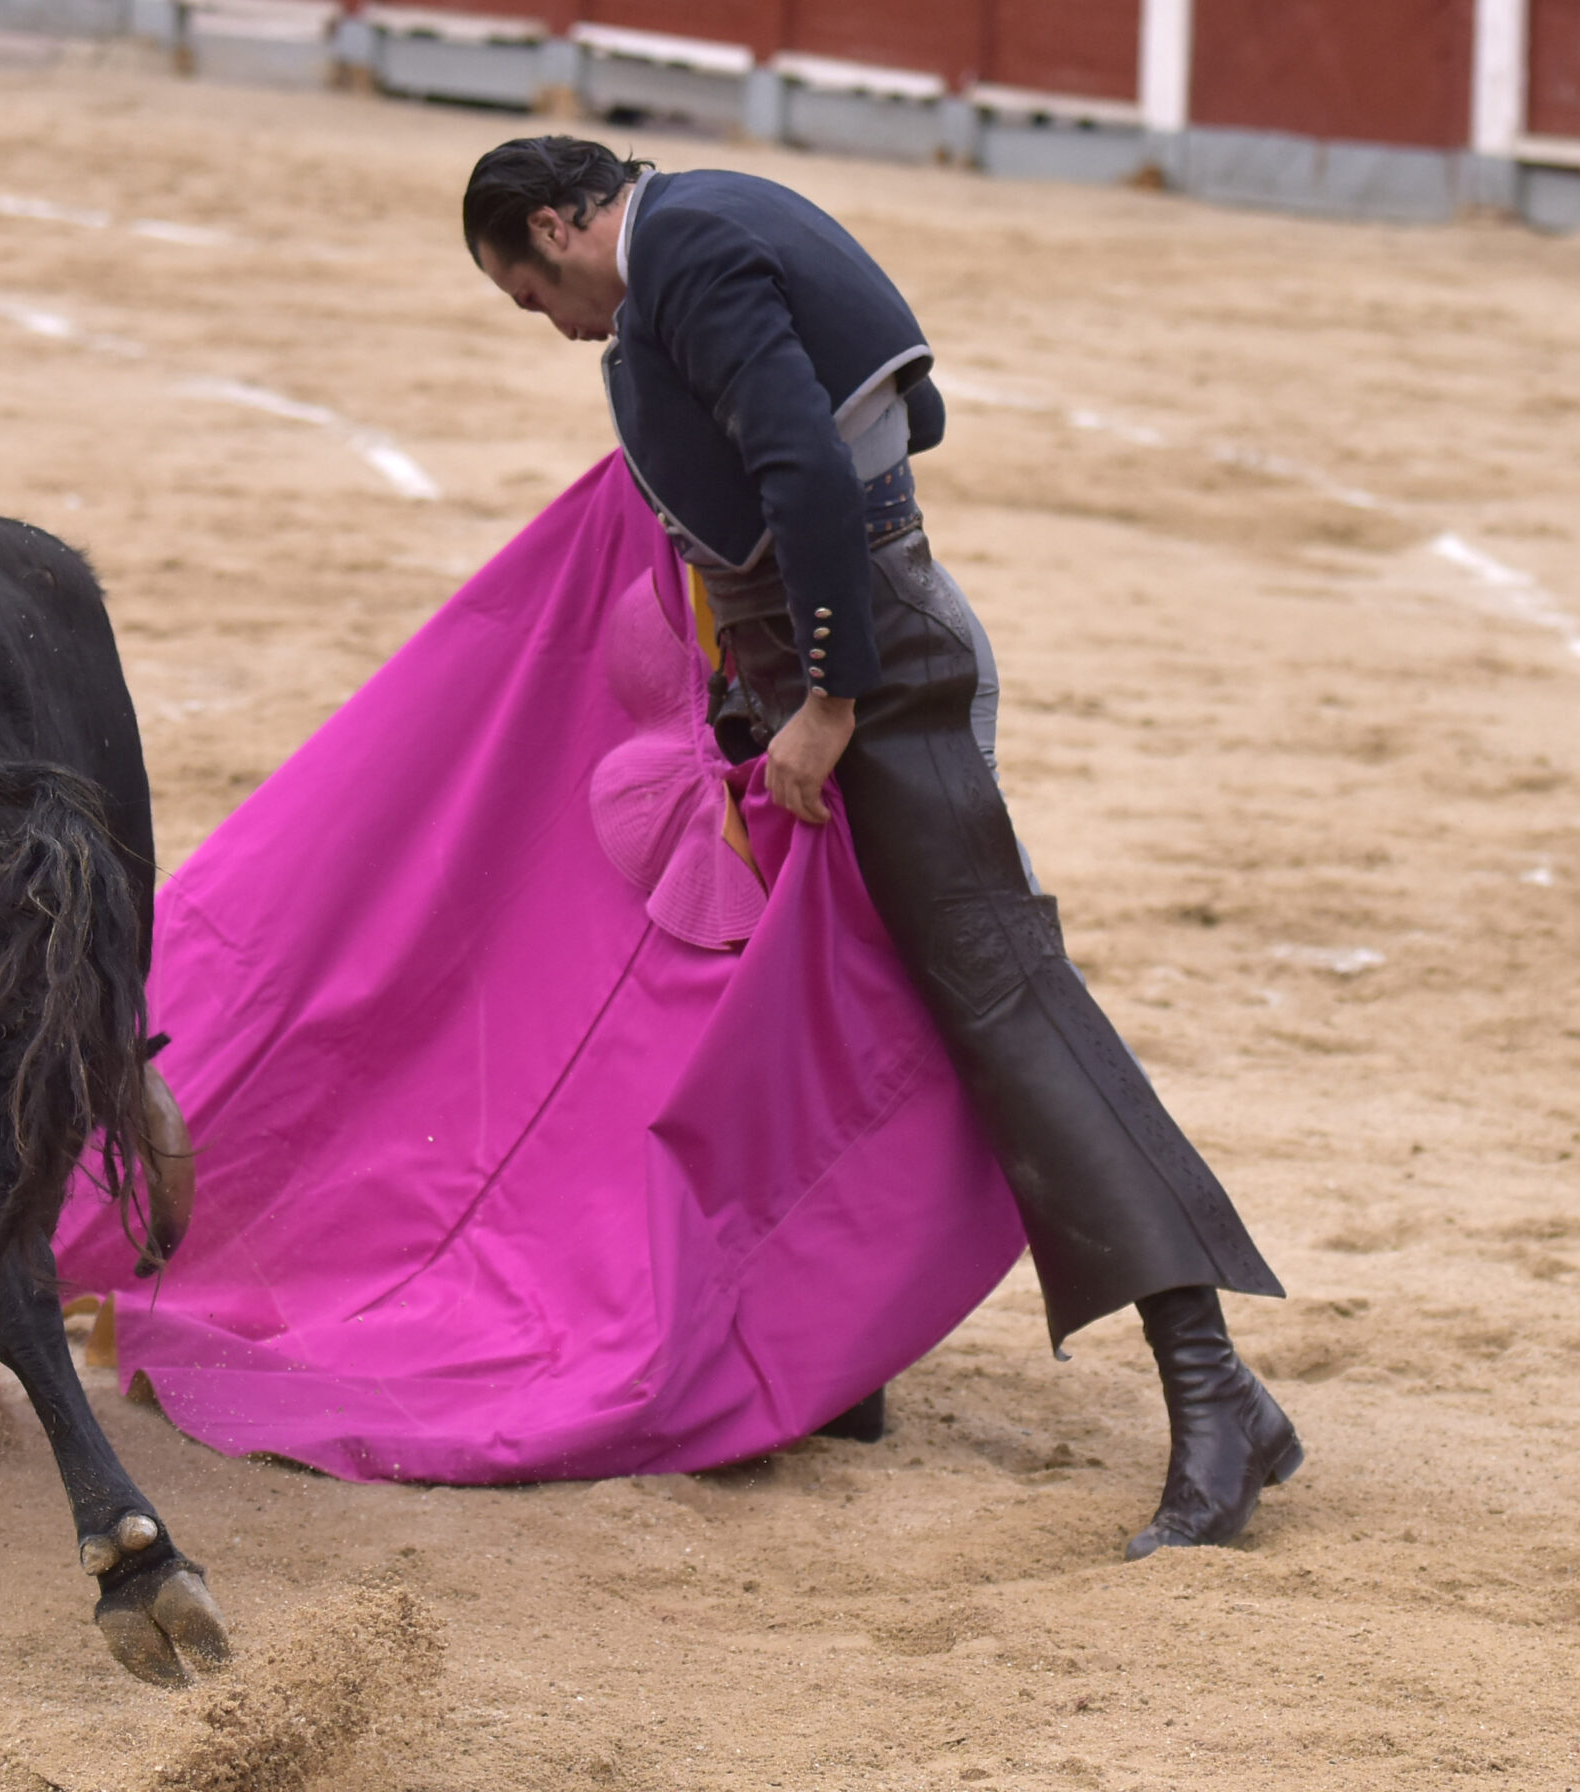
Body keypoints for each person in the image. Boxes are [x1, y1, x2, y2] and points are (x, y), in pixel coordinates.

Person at [460, 135, 1300, 1559]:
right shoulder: (708, 228)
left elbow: (807, 463)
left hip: (877, 673)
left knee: (1002, 1002)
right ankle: (844, 1356)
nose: (554, 325)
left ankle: (1217, 1390)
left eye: (533, 293)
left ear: (561, 224)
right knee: (843, 1002)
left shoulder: (689, 249)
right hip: (818, 665)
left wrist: (832, 697)